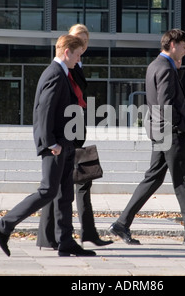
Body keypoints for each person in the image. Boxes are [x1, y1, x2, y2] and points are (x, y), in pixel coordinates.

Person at [108, 29, 185, 247]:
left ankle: (122, 224)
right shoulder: (166, 69)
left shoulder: (155, 65)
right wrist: (184, 126)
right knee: (184, 182)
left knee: (153, 178)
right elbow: (166, 105)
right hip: (171, 133)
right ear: (173, 44)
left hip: (160, 131)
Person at [0, 34, 96, 257]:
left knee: (65, 194)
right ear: (67, 52)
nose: (79, 60)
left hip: (65, 144)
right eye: (77, 55)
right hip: (55, 145)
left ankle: (66, 242)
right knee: (48, 190)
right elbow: (44, 110)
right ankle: (4, 224)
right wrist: (50, 143)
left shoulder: (64, 73)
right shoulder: (55, 74)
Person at [37, 24, 113, 249]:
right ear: (68, 44)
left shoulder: (76, 65)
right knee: (58, 187)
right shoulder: (65, 67)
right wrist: (51, 139)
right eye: (78, 41)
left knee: (78, 184)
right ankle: (51, 236)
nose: (83, 46)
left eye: (86, 42)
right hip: (66, 133)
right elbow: (51, 106)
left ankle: (83, 233)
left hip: (75, 131)